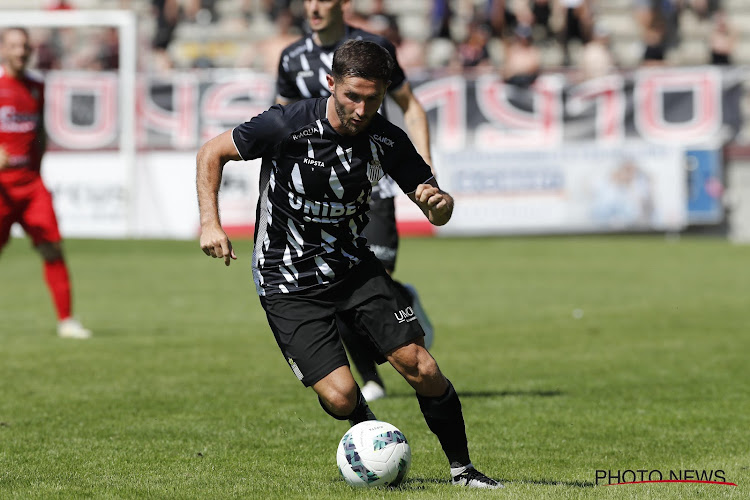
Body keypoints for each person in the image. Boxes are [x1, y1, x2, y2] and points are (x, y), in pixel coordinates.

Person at [197, 39, 502, 489]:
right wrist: (211, 224)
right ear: (331, 84)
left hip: (352, 265)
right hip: (286, 278)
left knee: (422, 366)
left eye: (373, 99)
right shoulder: (286, 124)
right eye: (351, 96)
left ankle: (463, 471)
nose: (361, 108)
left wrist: (439, 205)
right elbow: (211, 152)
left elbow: (434, 201)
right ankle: (373, 443)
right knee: (340, 397)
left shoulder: (387, 139)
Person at [275, 0, 434, 402]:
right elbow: (280, 118)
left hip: (371, 184)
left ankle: (401, 299)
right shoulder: (292, 58)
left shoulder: (373, 49)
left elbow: (409, 105)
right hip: (317, 192)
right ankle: (373, 378)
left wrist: (424, 172)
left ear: (342, 4)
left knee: (365, 273)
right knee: (332, 281)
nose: (313, 6)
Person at [0, 28, 91, 339]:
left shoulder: (36, 87)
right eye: (13, 46)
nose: (20, 51)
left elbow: (39, 136)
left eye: (24, 46)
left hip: (31, 185)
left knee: (52, 248)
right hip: (1, 188)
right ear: (3, 49)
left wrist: (37, 173)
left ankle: (66, 320)